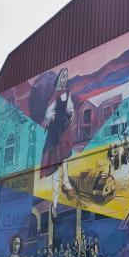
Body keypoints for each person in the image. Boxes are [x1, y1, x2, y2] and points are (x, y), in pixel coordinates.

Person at [40, 68, 75, 220]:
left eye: (67, 76)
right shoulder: (55, 95)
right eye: (63, 75)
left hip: (63, 131)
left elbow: (70, 108)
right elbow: (48, 113)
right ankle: (54, 205)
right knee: (55, 168)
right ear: (59, 77)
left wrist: (72, 113)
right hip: (55, 134)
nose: (65, 78)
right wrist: (53, 116)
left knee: (65, 159)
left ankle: (66, 184)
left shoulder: (67, 93)